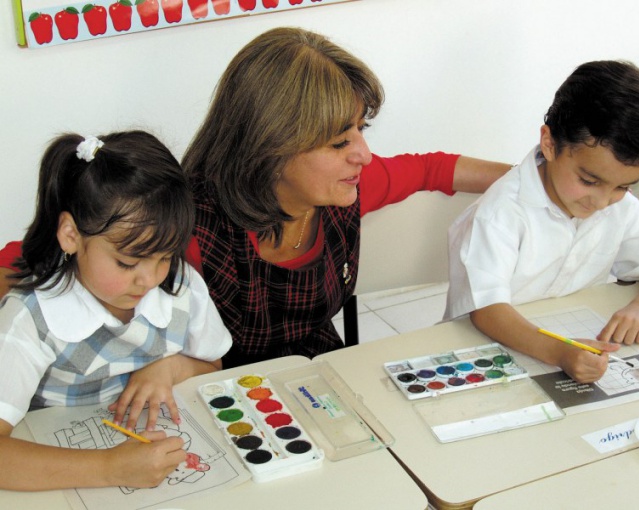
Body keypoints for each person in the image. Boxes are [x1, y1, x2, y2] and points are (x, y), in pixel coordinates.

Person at [0, 27, 510, 369]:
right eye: (340, 141)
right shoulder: (189, 221)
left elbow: (435, 169)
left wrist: (532, 178)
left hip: (317, 377)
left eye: (361, 129)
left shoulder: (347, 188)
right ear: (273, 147)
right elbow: (32, 259)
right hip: (213, 387)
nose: (364, 154)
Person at [0, 131, 232, 491]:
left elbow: (212, 366)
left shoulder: (180, 285)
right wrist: (110, 468)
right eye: (127, 263)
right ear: (71, 235)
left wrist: (169, 368)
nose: (150, 279)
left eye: (165, 256)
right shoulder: (31, 320)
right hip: (60, 478)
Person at [443, 60, 639, 384]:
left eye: (622, 186)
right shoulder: (500, 213)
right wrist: (559, 352)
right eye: (588, 180)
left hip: (570, 340)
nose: (601, 201)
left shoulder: (619, 207)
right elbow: (487, 310)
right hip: (486, 351)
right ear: (550, 144)